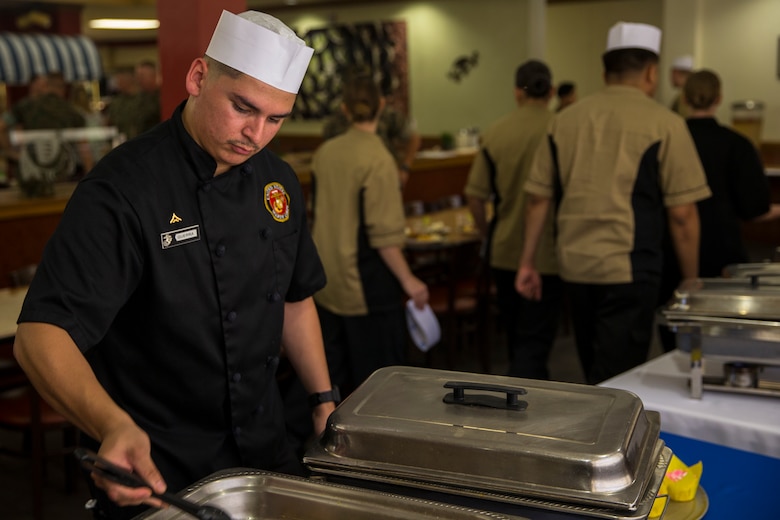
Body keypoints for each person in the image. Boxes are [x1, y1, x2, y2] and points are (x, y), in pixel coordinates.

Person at [13, 10, 336, 519]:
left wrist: (322, 397)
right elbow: (41, 334)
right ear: (198, 78)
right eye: (243, 107)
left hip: (266, 449)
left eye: (276, 119)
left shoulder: (279, 181)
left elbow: (295, 297)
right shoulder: (122, 190)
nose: (256, 134)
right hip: (162, 469)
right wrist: (112, 426)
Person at [516, 22, 711, 384]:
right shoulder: (666, 124)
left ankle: (598, 431)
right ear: (652, 73)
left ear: (605, 72)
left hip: (574, 264)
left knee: (593, 365)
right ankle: (611, 438)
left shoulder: (563, 121)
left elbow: (537, 199)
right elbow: (682, 214)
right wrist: (689, 279)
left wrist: (527, 262)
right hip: (629, 268)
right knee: (619, 378)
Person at [310, 74, 429, 397]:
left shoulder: (325, 152)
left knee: (335, 382)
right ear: (382, 105)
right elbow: (384, 236)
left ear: (344, 109)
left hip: (326, 282)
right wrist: (410, 281)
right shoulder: (379, 158)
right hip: (367, 286)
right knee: (380, 388)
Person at [657, 69, 780, 350]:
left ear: (685, 99)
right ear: (719, 99)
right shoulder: (737, 144)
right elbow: (755, 209)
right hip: (722, 252)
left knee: (673, 335)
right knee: (720, 337)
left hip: (671, 250)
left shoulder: (669, 140)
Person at [465, 60, 562, 380]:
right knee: (537, 338)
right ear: (550, 91)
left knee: (515, 334)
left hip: (504, 247)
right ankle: (532, 400)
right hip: (550, 251)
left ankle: (517, 396)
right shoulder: (562, 128)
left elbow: (475, 195)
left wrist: (485, 234)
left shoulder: (496, 133)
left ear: (516, 93)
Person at [322, 75, 421, 188]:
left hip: (380, 177)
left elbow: (413, 138)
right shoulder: (336, 122)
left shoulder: (388, 117)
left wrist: (404, 167)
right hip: (348, 178)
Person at [105, 66, 142, 140]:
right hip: (121, 139)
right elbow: (110, 121)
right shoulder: (117, 101)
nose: (117, 84)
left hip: (138, 139)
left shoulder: (142, 99)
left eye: (120, 81)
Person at [135, 59, 162, 134]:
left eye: (142, 76)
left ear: (154, 76)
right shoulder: (139, 97)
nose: (138, 80)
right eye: (137, 76)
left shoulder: (162, 97)